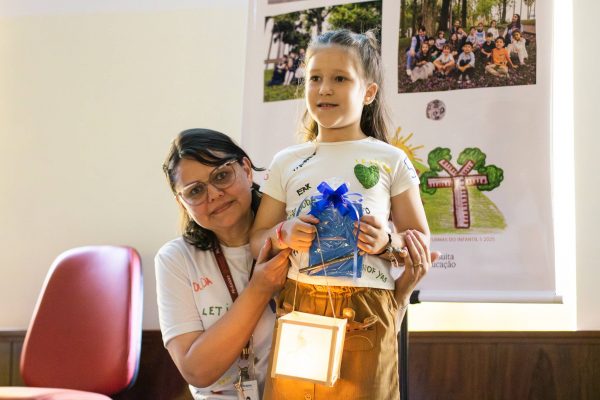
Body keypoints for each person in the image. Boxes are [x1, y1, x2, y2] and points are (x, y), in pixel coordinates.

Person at [250, 29, 431, 399]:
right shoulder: (286, 161)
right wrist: (284, 233)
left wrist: (386, 243)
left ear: (368, 92)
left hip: (367, 312)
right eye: (315, 78)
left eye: (340, 79)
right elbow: (256, 240)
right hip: (299, 305)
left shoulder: (391, 159)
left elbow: (420, 241)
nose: (324, 89)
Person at [155, 128, 292, 400]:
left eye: (221, 176)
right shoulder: (175, 259)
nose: (214, 194)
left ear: (246, 170)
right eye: (195, 191)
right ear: (182, 203)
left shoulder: (290, 235)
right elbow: (196, 371)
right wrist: (259, 289)